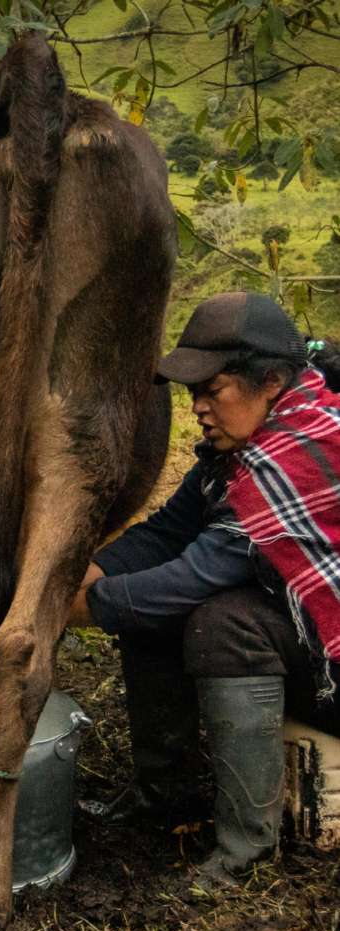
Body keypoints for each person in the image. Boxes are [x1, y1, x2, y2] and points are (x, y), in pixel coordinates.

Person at [65, 291, 340, 890]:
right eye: (193, 394)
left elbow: (193, 575)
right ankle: (165, 795)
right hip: (310, 636)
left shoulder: (296, 456)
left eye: (212, 391)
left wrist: (76, 607)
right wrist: (86, 572)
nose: (198, 410)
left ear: (271, 382)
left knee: (222, 623)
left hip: (334, 671)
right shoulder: (239, 451)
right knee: (151, 605)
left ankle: (247, 847)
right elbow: (168, 531)